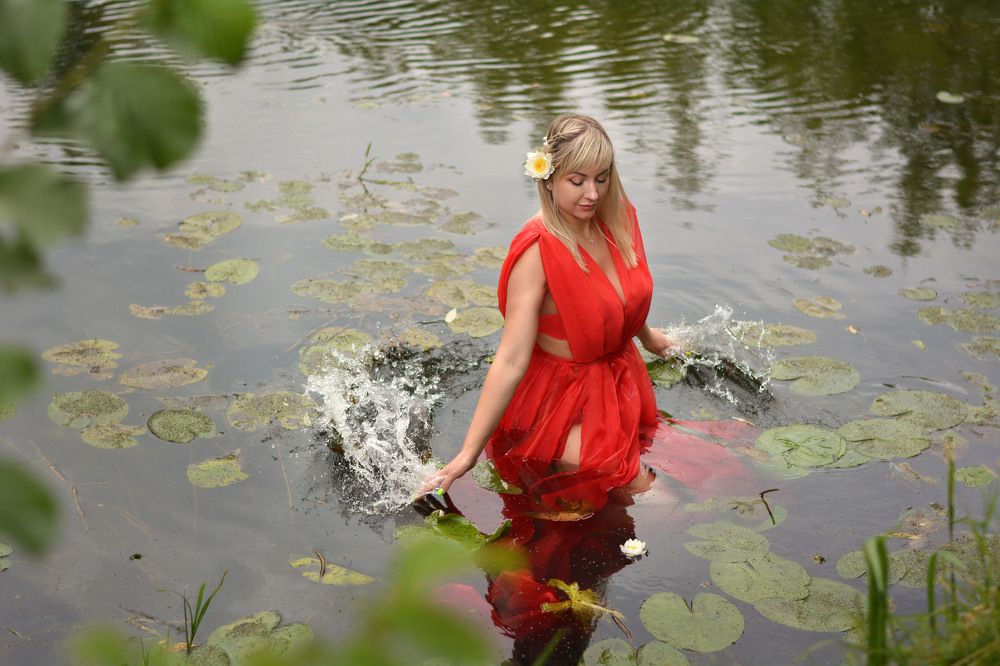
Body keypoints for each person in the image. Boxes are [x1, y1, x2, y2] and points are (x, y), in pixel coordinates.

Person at [420, 114, 674, 515]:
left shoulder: (617, 217)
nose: (593, 194)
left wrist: (648, 337)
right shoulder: (537, 252)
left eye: (602, 178)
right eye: (577, 181)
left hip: (621, 376)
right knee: (658, 503)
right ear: (549, 179)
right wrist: (466, 455)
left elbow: (617, 297)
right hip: (563, 400)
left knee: (658, 493)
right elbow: (511, 359)